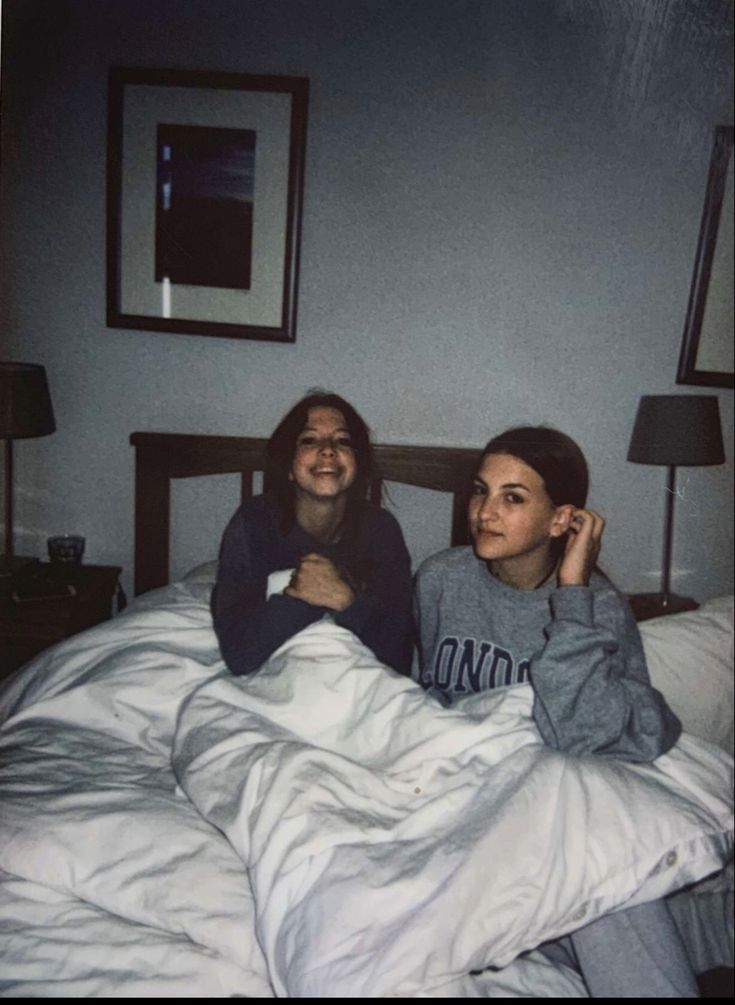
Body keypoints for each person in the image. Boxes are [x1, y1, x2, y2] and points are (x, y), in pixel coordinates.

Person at [415, 425, 699, 997]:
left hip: (549, 816)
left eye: (512, 497)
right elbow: (424, 699)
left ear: (562, 520)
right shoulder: (440, 579)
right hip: (461, 801)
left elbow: (593, 733)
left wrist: (573, 594)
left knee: (607, 880)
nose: (484, 512)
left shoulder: (597, 608)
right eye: (479, 491)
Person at [212, 390, 413, 678]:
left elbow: (400, 658)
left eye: (343, 441)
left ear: (358, 464)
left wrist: (346, 600)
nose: (328, 449)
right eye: (309, 440)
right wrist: (300, 597)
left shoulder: (381, 530)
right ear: (289, 465)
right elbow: (239, 654)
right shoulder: (253, 522)